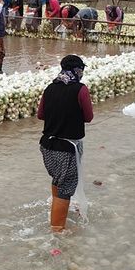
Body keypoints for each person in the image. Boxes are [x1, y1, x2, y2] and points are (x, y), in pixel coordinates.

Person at [37, 55, 93, 233]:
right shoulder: (80, 90)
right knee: (66, 188)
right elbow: (88, 117)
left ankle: (55, 213)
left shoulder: (50, 88)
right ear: (79, 70)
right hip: (67, 148)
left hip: (47, 145)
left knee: (57, 180)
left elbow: (40, 115)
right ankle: (57, 231)